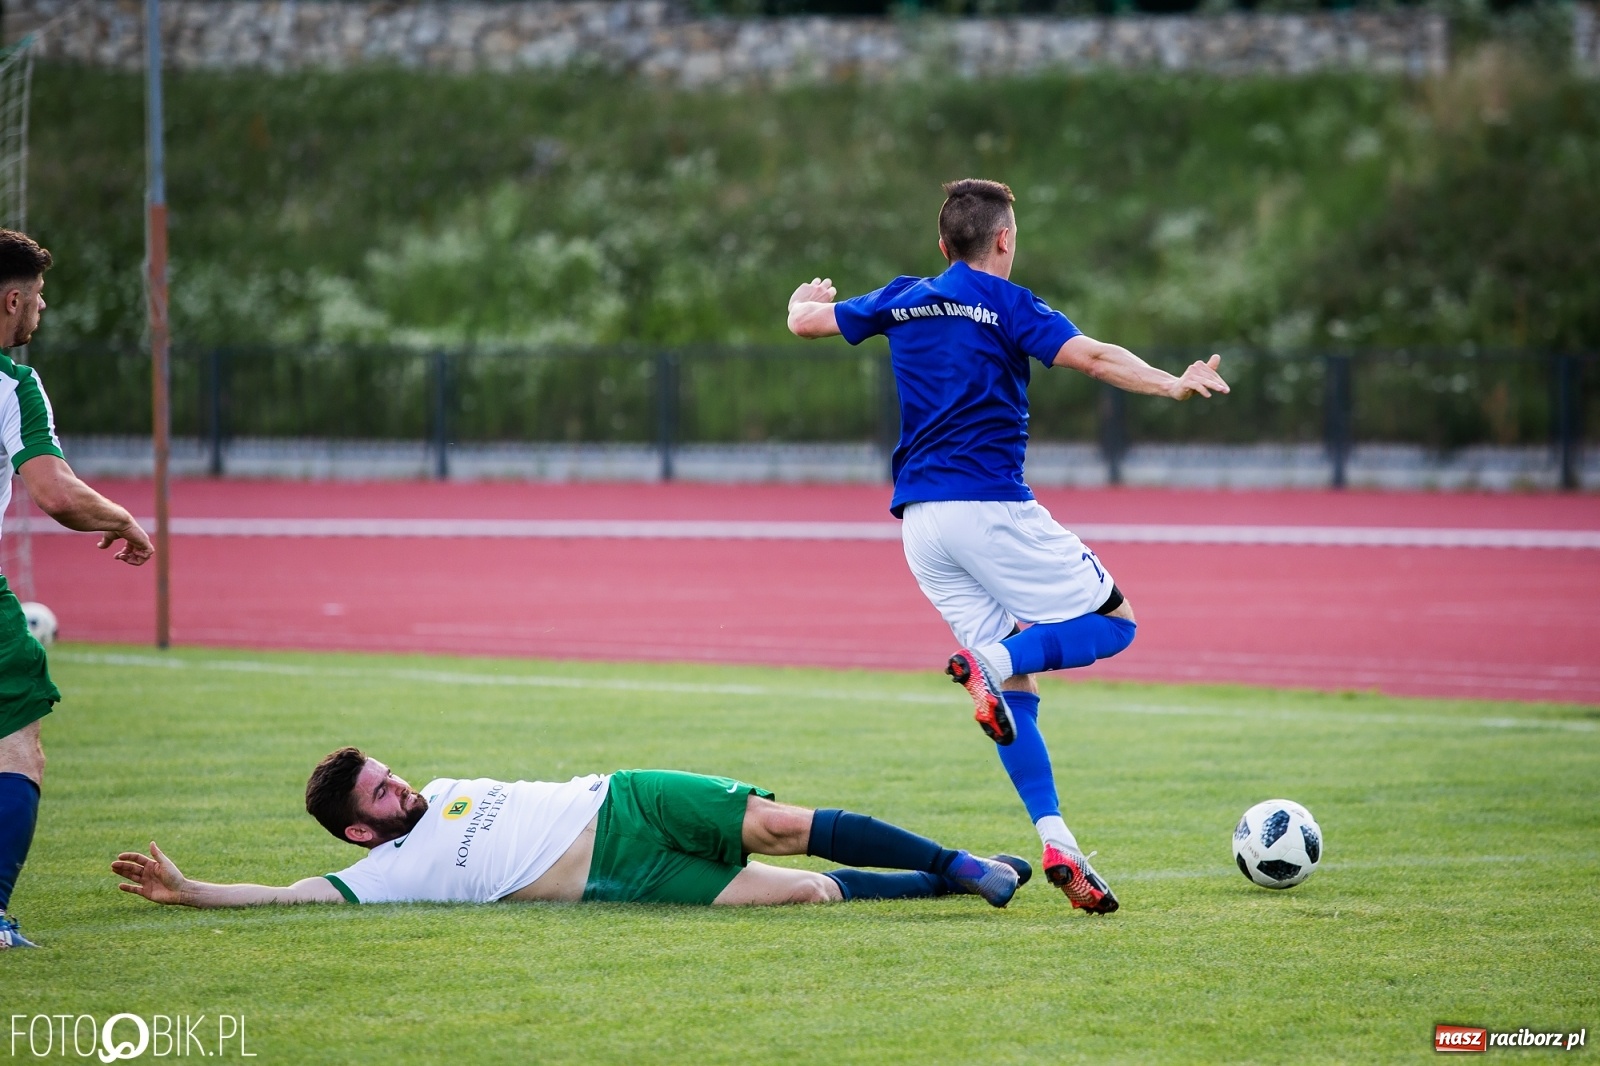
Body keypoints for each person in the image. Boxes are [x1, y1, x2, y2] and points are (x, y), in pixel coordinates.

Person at [784, 179, 1229, 915]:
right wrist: (1170, 386)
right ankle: (989, 663)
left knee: (1017, 697)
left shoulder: (903, 296)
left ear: (941, 246)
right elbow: (1092, 356)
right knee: (1116, 624)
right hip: (990, 508)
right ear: (1004, 240)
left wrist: (801, 300)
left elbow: (807, 324)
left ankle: (1060, 843)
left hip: (922, 528)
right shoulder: (1009, 305)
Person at [112, 746, 1032, 910]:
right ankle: (957, 877)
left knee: (785, 829)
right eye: (385, 798)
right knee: (803, 892)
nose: (405, 790)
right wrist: (189, 890)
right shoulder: (377, 882)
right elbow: (280, 895)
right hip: (624, 879)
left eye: (392, 775)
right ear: (360, 836)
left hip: (628, 799)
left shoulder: (443, 787)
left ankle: (963, 863)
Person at [0, 231, 154, 949]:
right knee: (15, 745)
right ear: (11, 300)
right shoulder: (14, 385)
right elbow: (53, 491)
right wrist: (123, 519)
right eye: (36, 297)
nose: (43, 308)